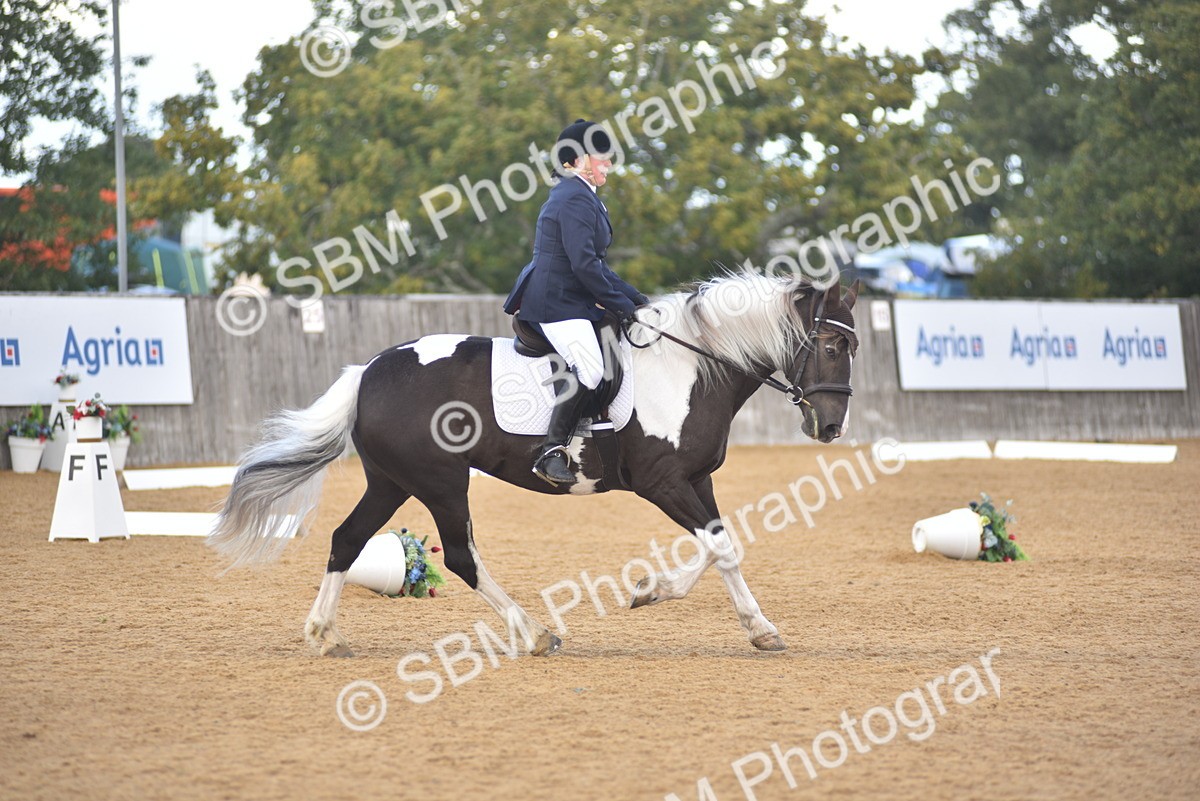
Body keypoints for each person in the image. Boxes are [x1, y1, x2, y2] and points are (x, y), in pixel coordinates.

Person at [503, 119, 649, 487]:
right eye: (601, 158)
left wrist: (635, 299)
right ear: (576, 161)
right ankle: (551, 451)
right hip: (556, 303)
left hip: (572, 298)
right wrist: (621, 306)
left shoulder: (583, 196)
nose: (608, 165)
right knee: (591, 368)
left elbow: (596, 264)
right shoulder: (572, 198)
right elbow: (584, 265)